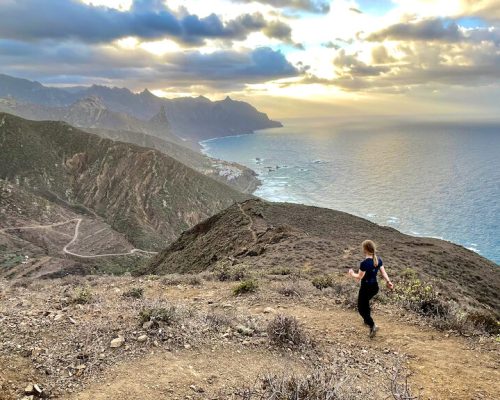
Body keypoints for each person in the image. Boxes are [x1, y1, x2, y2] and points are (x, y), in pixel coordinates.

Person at [348, 240, 393, 338]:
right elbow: (383, 273)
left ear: (364, 250)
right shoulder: (378, 260)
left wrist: (351, 273)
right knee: (365, 303)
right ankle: (366, 320)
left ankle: (372, 325)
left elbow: (359, 277)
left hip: (366, 288)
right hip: (374, 288)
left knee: (361, 309)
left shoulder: (364, 263)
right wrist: (388, 281)